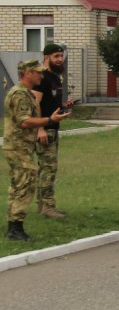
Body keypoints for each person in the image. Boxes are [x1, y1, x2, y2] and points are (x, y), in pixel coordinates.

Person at [4, 59, 69, 241]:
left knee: (20, 184)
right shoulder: (19, 94)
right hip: (17, 147)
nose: (41, 75)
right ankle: (15, 228)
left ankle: (14, 226)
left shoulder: (26, 93)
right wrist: (49, 121)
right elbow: (24, 121)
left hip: (23, 146)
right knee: (25, 182)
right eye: (38, 72)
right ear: (27, 73)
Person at [31, 43, 74, 219]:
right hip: (44, 129)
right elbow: (35, 104)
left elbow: (50, 102)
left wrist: (63, 106)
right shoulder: (41, 78)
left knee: (47, 168)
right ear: (46, 56)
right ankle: (48, 206)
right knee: (48, 168)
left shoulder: (56, 78)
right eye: (55, 56)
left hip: (53, 128)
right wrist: (40, 128)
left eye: (60, 56)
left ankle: (42, 205)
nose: (59, 59)